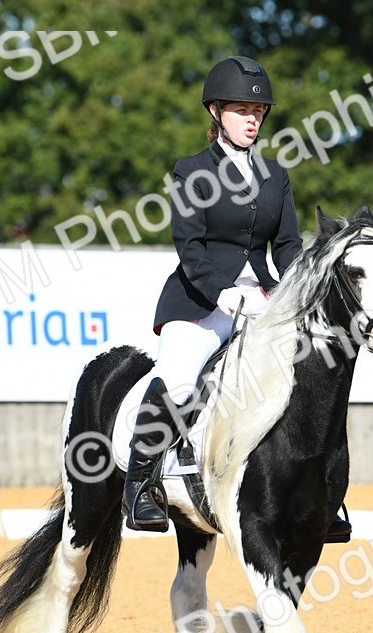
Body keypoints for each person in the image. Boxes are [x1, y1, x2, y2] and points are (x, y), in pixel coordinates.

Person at [122, 55, 351, 544]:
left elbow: (287, 245)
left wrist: (299, 290)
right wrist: (221, 291)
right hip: (201, 299)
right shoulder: (191, 171)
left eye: (258, 111)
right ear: (215, 112)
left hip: (263, 299)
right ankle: (139, 483)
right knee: (181, 380)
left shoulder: (275, 175)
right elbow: (189, 244)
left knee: (309, 371)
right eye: (242, 109)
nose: (252, 118)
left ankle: (323, 490)